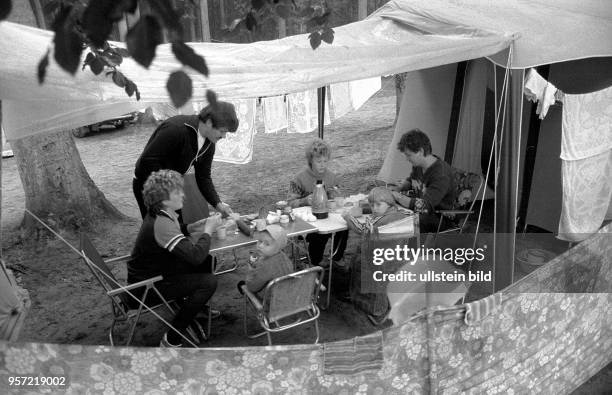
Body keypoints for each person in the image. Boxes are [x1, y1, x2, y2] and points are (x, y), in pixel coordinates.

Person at [127, 169, 223, 347]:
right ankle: (172, 338)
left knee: (208, 261)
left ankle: (196, 309)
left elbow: (178, 229)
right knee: (208, 281)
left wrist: (194, 226)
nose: (183, 194)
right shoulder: (161, 224)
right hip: (147, 288)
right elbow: (194, 257)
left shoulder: (160, 214)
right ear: (164, 199)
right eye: (177, 192)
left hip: (159, 273)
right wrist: (208, 231)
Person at [133, 90, 238, 220]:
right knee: (159, 229)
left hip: (172, 189)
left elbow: (203, 177)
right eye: (222, 131)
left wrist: (218, 204)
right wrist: (168, 191)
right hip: (149, 186)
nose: (223, 136)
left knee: (177, 227)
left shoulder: (209, 143)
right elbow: (147, 162)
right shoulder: (176, 129)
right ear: (210, 122)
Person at [342, 187, 409, 325]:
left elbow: (361, 229)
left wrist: (348, 217)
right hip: (399, 258)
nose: (374, 208)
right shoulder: (402, 214)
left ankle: (375, 309)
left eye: (378, 205)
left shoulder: (377, 222)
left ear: (389, 203)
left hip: (378, 261)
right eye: (372, 205)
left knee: (357, 259)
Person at [287, 138, 348, 268]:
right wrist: (304, 200)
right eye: (318, 161)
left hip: (327, 216)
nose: (323, 165)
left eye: (325, 161)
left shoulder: (331, 177)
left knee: (344, 226)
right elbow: (290, 204)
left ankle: (337, 257)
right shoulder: (299, 179)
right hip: (306, 222)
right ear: (311, 160)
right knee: (320, 233)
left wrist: (334, 195)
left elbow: (338, 197)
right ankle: (314, 262)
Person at [391, 129, 455, 233]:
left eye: (408, 155)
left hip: (439, 216)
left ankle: (403, 246)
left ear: (420, 151)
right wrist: (400, 187)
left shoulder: (441, 175)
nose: (407, 159)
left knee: (400, 222)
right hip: (422, 210)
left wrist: (397, 196)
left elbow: (425, 206)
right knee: (388, 210)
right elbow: (412, 181)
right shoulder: (419, 165)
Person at [237, 226, 294, 295]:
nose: (260, 245)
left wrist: (251, 271)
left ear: (278, 247)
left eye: (267, 244)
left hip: (272, 302)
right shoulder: (284, 257)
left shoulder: (265, 265)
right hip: (289, 295)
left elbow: (252, 288)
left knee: (241, 284)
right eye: (260, 241)